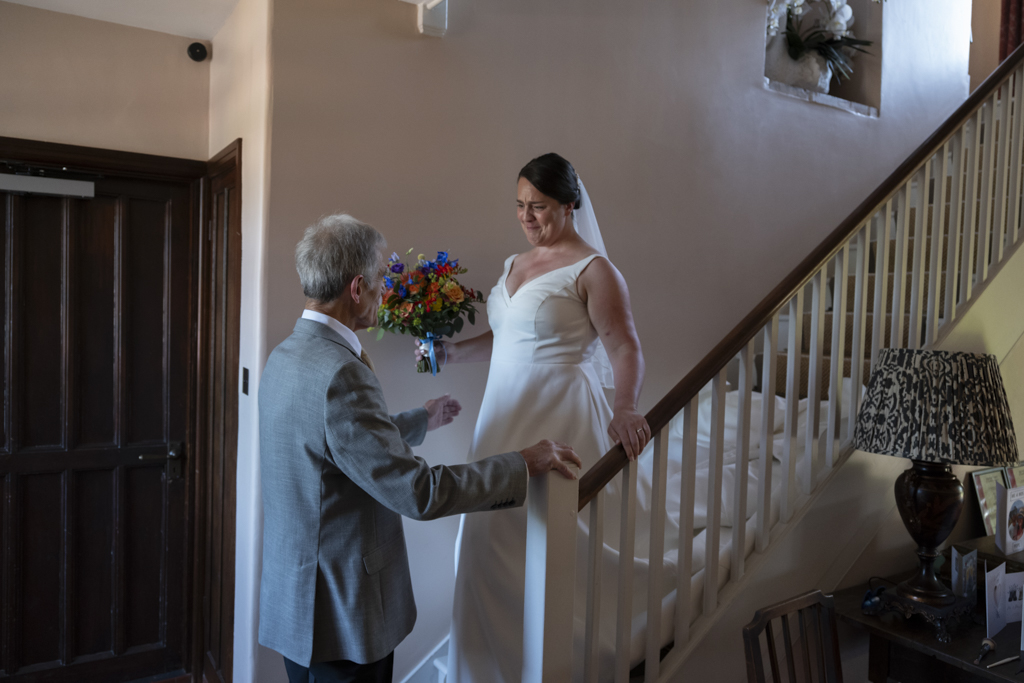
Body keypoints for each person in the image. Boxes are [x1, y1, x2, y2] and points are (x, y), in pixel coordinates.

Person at [258, 213, 582, 683]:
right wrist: (521, 463)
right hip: (344, 613)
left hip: (296, 605)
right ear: (356, 288)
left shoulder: (287, 355)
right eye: (378, 282)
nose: (383, 293)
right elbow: (418, 492)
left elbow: (338, 443)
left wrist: (421, 420)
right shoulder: (342, 373)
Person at [425, 154, 649, 683]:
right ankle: (484, 670)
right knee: (481, 538)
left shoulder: (595, 270)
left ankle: (548, 665)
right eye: (521, 206)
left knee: (540, 543)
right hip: (502, 417)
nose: (527, 218)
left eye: (539, 207)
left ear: (570, 206)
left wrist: (624, 407)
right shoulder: (513, 264)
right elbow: (506, 339)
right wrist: (449, 353)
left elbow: (625, 348)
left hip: (558, 414)